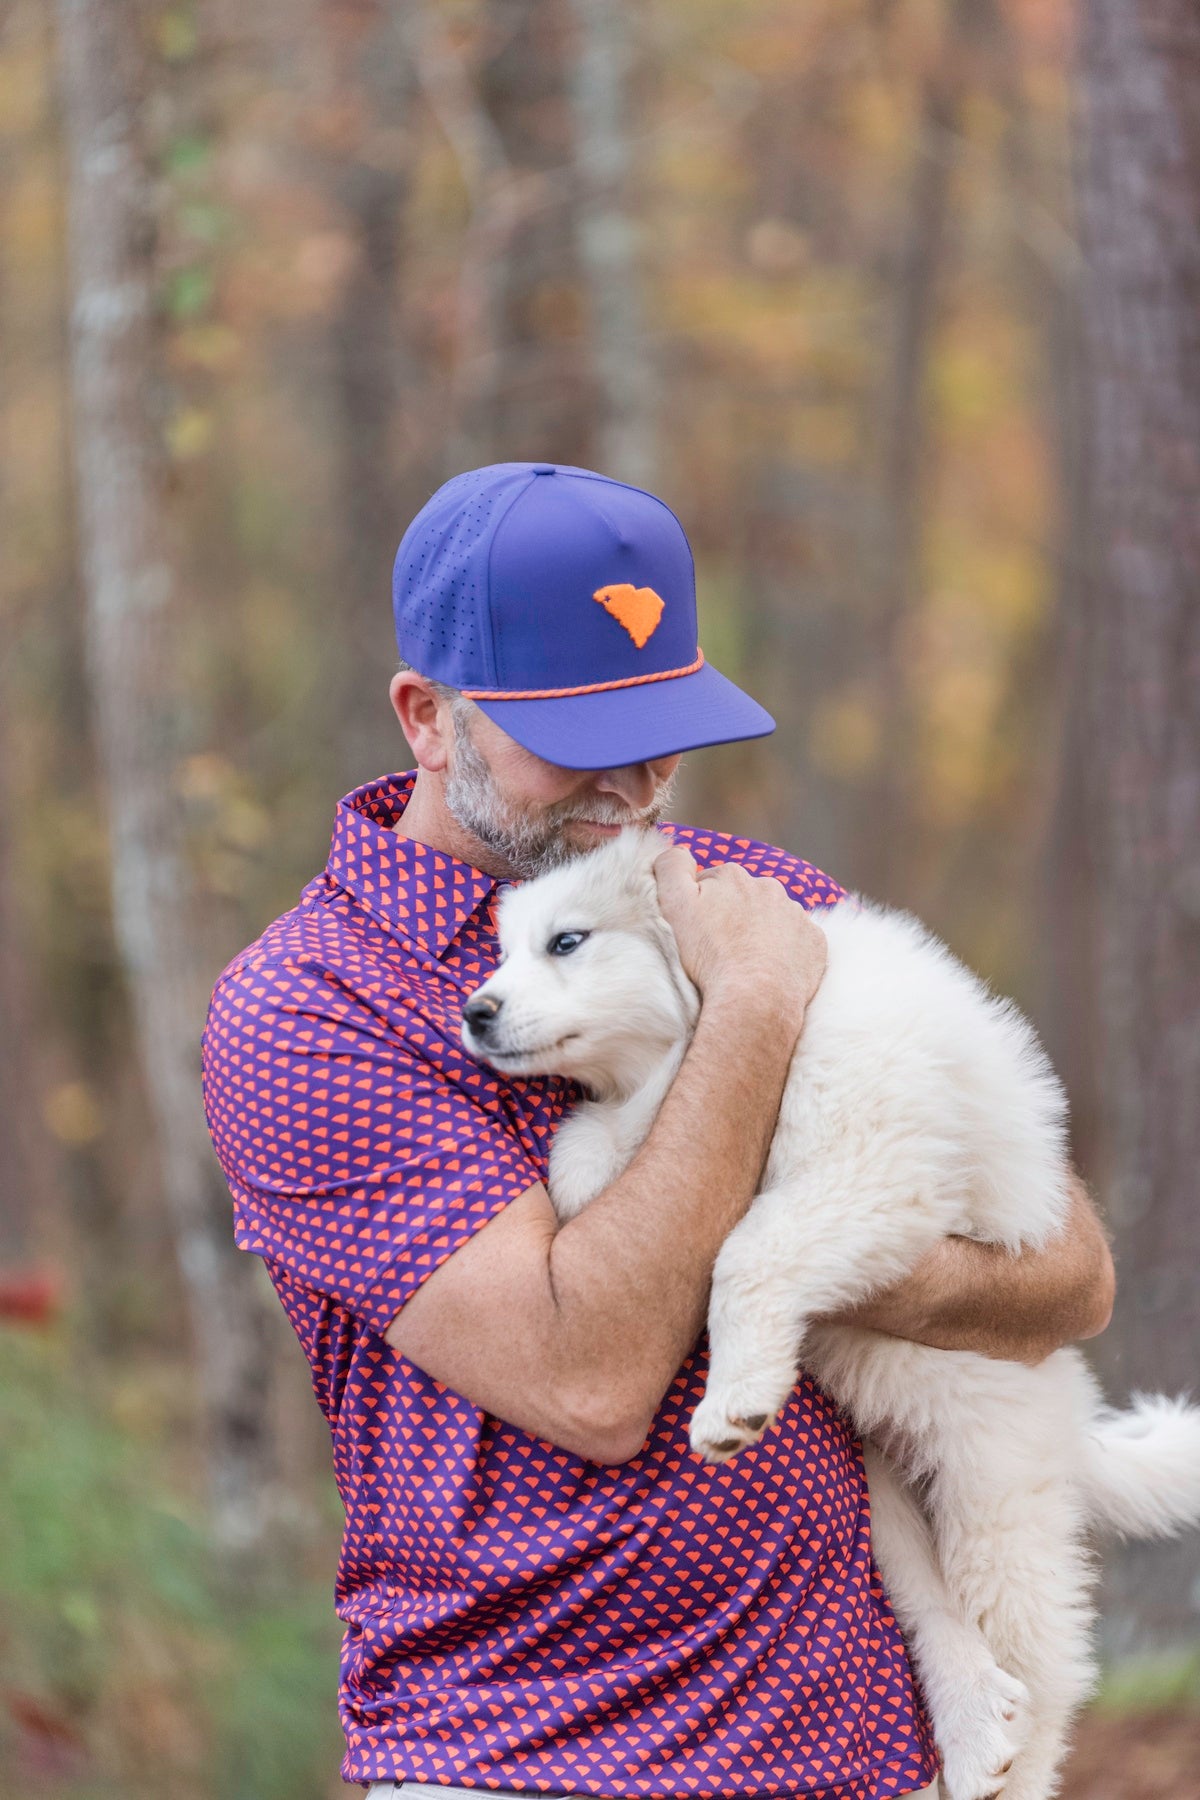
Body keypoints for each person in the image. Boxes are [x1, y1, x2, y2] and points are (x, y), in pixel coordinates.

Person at [200, 462, 1114, 1800]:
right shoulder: (311, 1013)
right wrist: (747, 1012)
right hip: (537, 1756)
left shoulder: (752, 899)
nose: (631, 787)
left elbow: (1068, 1277)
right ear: (427, 719)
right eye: (581, 735)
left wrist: (856, 1260)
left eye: (661, 732)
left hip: (869, 1753)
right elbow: (591, 1381)